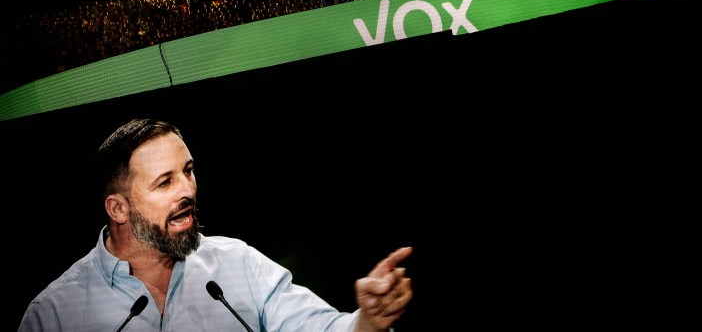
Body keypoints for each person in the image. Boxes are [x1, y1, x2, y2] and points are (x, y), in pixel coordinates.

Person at [18, 118, 413, 331]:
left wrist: (368, 321)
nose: (187, 190)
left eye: (188, 171)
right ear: (118, 209)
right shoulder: (55, 313)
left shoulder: (238, 264)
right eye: (165, 182)